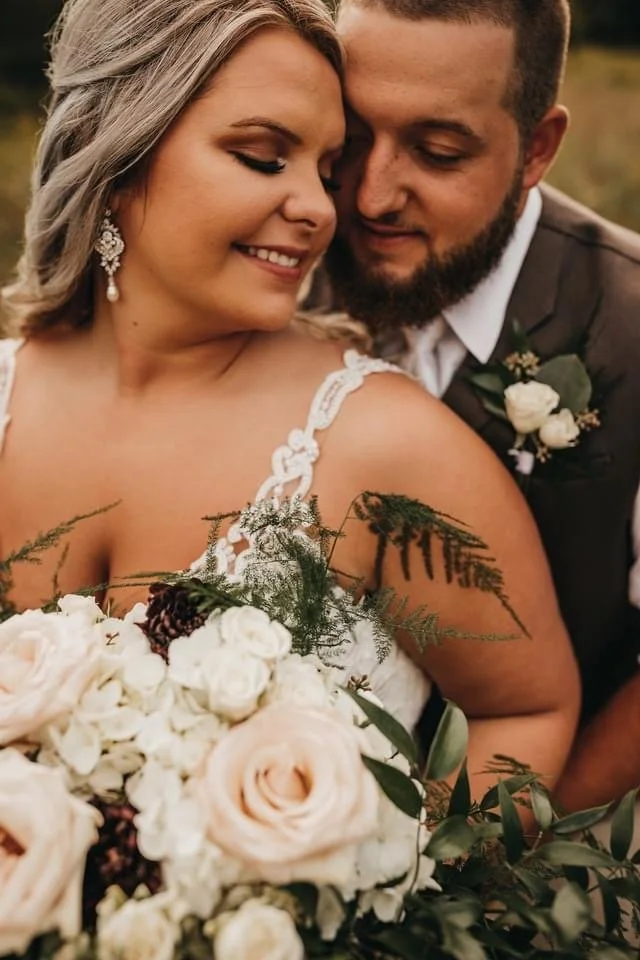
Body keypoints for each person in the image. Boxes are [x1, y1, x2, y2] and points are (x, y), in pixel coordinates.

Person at [0, 0, 579, 801]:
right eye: (266, 159)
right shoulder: (7, 389)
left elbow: (527, 709)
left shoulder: (387, 445)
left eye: (323, 167)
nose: (321, 208)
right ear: (118, 153)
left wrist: (409, 900)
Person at [309, 0, 640, 812]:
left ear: (537, 149)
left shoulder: (631, 324)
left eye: (439, 151)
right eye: (351, 138)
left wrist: (507, 872)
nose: (373, 196)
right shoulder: (278, 262)